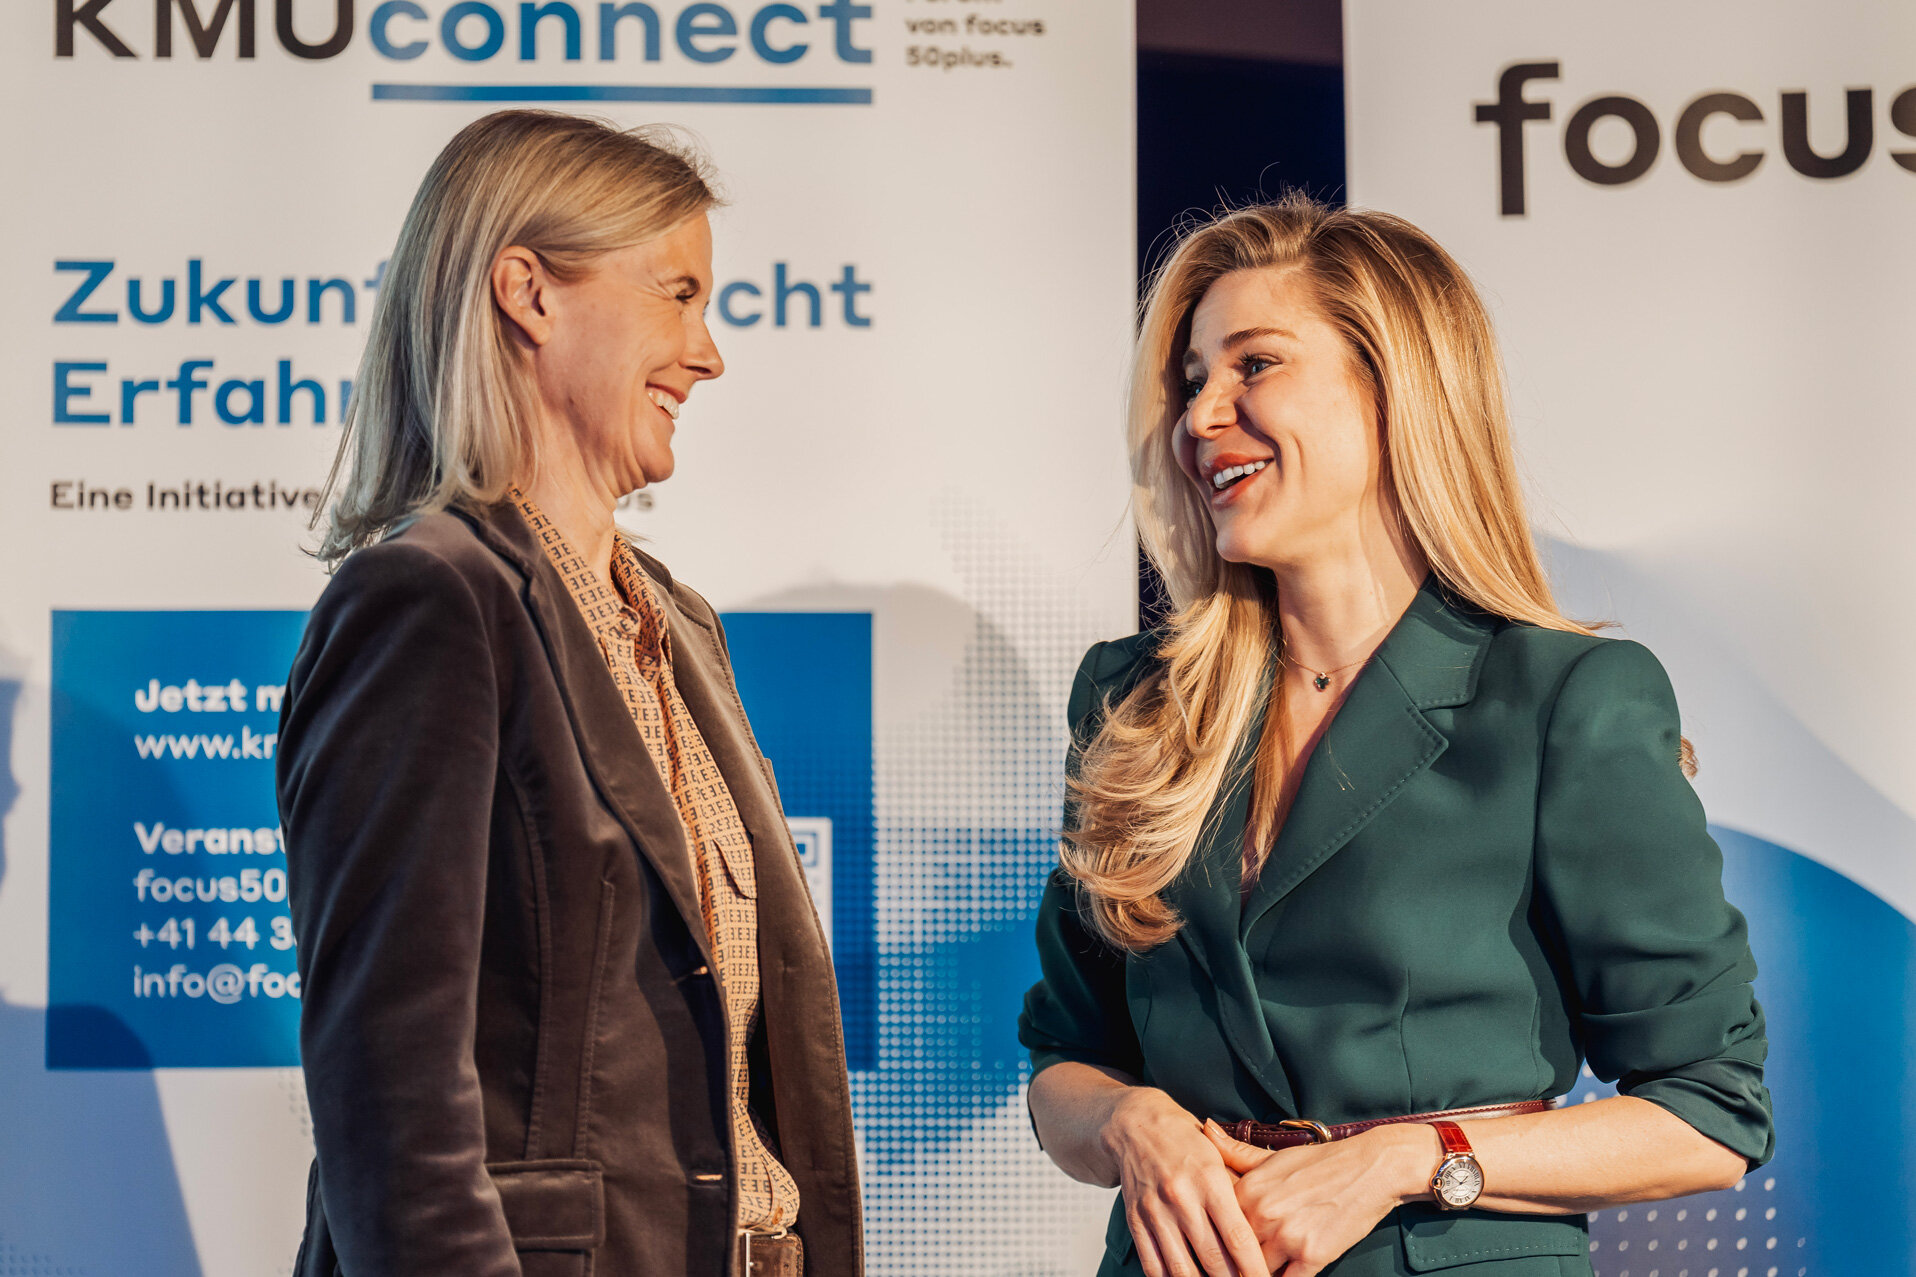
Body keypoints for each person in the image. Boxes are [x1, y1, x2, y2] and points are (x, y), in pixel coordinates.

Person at [1018, 195, 1772, 1277]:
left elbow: (1707, 1114)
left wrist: (1407, 1160)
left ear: (1393, 389)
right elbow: (1065, 1057)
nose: (1200, 416)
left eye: (1253, 365)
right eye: (1191, 381)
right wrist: (1129, 1121)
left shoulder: (1564, 698)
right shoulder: (1132, 701)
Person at [277, 110, 860, 1277]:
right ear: (528, 293)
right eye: (677, 295)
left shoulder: (677, 621)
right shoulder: (429, 599)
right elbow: (391, 1097)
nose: (707, 353)